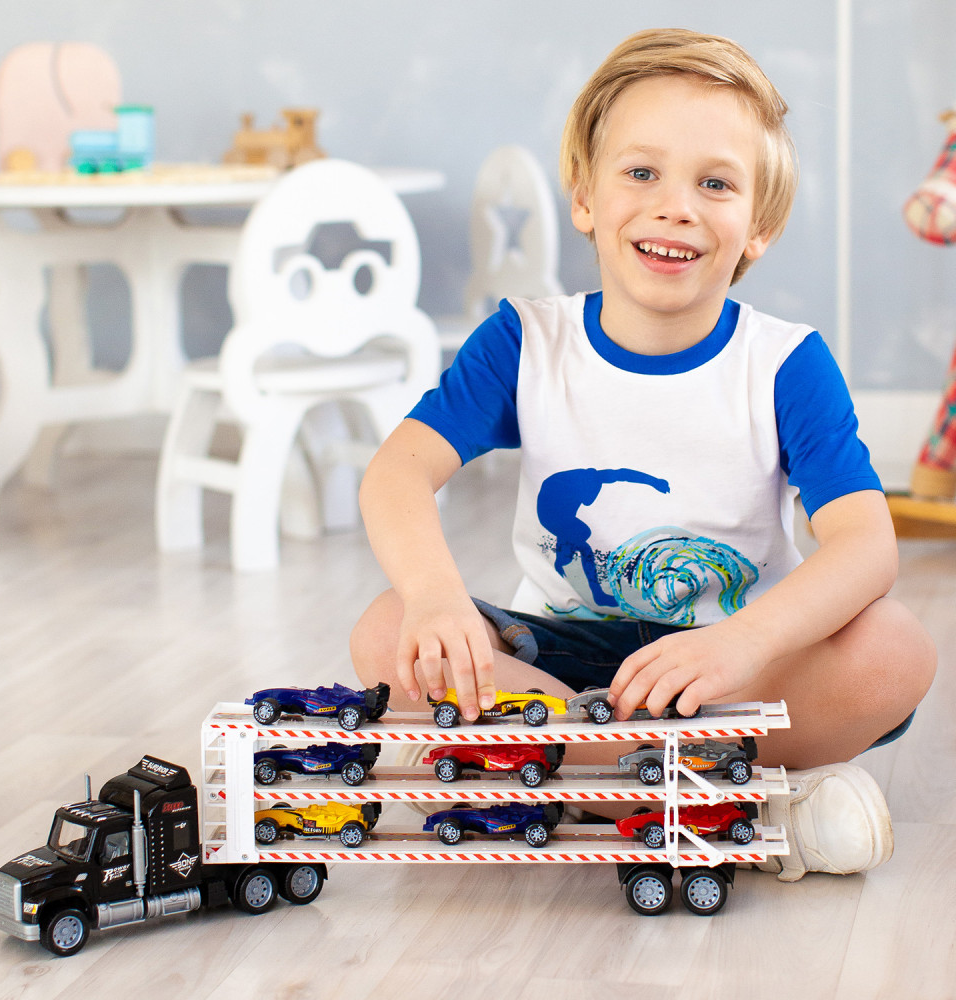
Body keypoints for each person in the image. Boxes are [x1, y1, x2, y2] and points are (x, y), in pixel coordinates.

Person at [350, 28, 936, 880]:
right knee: (386, 627)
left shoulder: (786, 363)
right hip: (556, 662)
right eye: (641, 173)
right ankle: (732, 803)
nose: (676, 206)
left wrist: (742, 644)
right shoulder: (524, 341)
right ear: (584, 196)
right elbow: (397, 472)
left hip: (734, 671)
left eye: (715, 183)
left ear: (760, 226)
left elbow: (867, 546)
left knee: (897, 647)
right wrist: (436, 597)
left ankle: (577, 783)